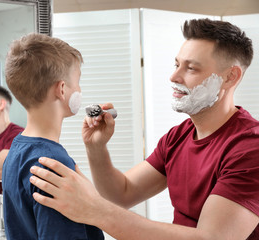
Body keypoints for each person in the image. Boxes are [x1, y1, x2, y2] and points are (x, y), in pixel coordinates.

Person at [29, 18, 259, 239]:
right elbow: (122, 194)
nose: (174, 76)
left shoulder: (250, 149)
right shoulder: (178, 137)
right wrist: (96, 148)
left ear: (230, 77)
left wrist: (94, 210)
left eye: (191, 68)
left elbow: (212, 238)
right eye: (177, 64)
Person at [2, 33, 104, 240]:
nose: (80, 89)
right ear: (62, 89)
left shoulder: (17, 149)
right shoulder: (53, 162)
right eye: (78, 81)